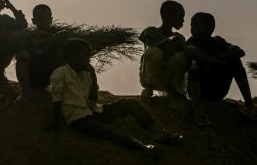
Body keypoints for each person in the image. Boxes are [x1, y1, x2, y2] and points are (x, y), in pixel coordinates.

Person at [50, 38, 183, 153]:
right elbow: (56, 99)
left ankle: (155, 131)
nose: (89, 60)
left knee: (129, 103)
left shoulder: (85, 74)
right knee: (110, 132)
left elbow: (93, 98)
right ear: (73, 56)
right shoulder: (60, 73)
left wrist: (92, 75)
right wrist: (56, 123)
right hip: (78, 119)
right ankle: (142, 147)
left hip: (94, 111)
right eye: (86, 56)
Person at [187, 12, 255, 114]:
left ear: (209, 28)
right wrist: (216, 61)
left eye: (196, 25)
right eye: (191, 25)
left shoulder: (218, 41)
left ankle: (249, 104)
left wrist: (223, 56)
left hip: (217, 89)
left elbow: (240, 52)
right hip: (200, 89)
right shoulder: (192, 41)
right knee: (194, 63)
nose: (192, 28)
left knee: (235, 61)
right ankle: (197, 108)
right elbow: (193, 53)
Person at [14, 4, 67, 103]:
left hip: (49, 76)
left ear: (51, 20)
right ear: (34, 21)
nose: (44, 22)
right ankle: (25, 93)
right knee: (22, 55)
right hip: (31, 77)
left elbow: (65, 34)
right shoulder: (29, 34)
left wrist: (46, 39)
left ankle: (61, 92)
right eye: (40, 19)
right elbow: (13, 39)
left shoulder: (56, 33)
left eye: (47, 19)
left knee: (61, 54)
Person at [139, 0, 189, 100]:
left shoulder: (179, 38)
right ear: (168, 16)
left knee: (183, 57)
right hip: (149, 77)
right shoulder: (151, 31)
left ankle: (172, 89)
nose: (183, 20)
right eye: (180, 16)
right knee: (154, 51)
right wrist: (168, 42)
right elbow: (149, 43)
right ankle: (149, 89)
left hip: (168, 78)